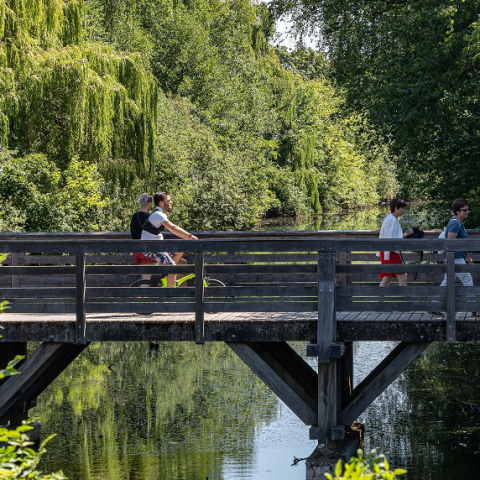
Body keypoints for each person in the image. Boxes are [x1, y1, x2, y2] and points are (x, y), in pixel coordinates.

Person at [141, 192, 198, 287]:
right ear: (161, 203)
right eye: (168, 200)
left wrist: (187, 238)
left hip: (157, 247)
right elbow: (173, 228)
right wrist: (189, 237)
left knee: (179, 251)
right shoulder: (158, 215)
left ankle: (169, 274)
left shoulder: (160, 214)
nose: (171, 202)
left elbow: (173, 230)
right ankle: (170, 293)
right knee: (172, 267)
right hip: (151, 249)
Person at [438, 199, 478, 316]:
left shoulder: (459, 223)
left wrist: (468, 257)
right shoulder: (455, 223)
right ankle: (474, 309)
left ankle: (435, 305)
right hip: (455, 258)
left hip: (458, 257)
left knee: (448, 281)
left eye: (468, 209)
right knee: (467, 280)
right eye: (464, 210)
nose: (467, 212)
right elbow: (450, 242)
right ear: (457, 211)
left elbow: (462, 243)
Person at [377, 198, 413, 287]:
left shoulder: (390, 219)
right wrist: (406, 234)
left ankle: (378, 299)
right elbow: (390, 238)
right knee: (402, 276)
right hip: (389, 252)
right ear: (396, 209)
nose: (404, 211)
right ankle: (405, 298)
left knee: (388, 277)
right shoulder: (391, 220)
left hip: (388, 252)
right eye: (402, 208)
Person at [130, 193, 155, 280]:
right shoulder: (150, 217)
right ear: (149, 203)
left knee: (144, 276)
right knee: (146, 277)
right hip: (147, 250)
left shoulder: (134, 216)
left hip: (136, 250)